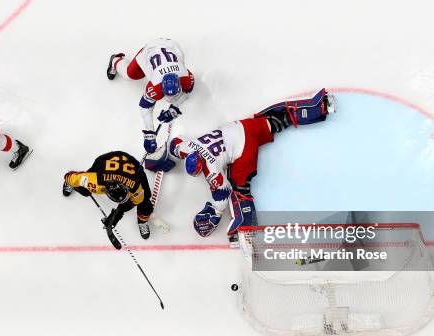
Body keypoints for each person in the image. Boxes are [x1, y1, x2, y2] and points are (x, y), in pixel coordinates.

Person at [168, 88, 336, 241]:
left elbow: (223, 195)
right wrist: (171, 152)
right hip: (243, 128)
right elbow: (176, 143)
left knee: (239, 186)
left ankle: (246, 226)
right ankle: (318, 107)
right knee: (277, 119)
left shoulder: (212, 171)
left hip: (244, 150)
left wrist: (216, 212)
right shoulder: (190, 147)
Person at [106, 38, 195, 153]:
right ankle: (115, 60)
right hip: (149, 50)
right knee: (130, 75)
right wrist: (149, 134)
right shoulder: (155, 85)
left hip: (171, 45)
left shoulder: (186, 76)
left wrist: (174, 108)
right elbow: (144, 107)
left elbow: (187, 92)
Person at [63, 151, 154, 247]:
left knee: (145, 200)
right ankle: (71, 184)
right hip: (105, 161)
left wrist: (118, 212)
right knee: (85, 191)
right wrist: (71, 181)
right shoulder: (94, 182)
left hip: (130, 162)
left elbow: (136, 201)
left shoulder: (134, 185)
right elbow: (68, 176)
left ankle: (142, 220)